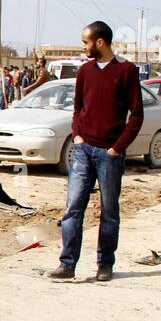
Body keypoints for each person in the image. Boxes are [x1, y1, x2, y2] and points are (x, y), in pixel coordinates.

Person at [49, 21, 143, 283]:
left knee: (109, 211)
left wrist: (116, 148)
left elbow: (136, 115)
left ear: (100, 42)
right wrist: (77, 135)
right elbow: (77, 108)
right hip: (83, 150)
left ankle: (105, 265)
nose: (84, 47)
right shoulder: (85, 71)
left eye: (85, 42)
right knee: (73, 209)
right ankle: (67, 265)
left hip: (109, 154)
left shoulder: (126, 71)